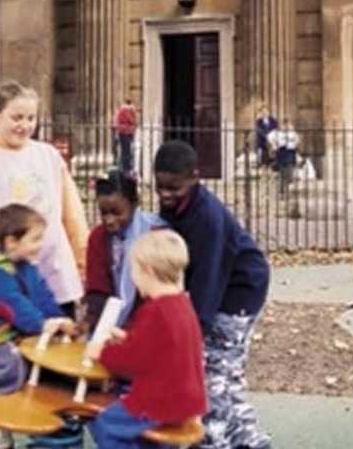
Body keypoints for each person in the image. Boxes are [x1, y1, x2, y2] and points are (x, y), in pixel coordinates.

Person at [0, 80, 89, 449]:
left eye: (30, 117)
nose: (24, 124)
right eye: (16, 117)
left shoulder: (48, 156)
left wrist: (83, 256)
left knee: (56, 353)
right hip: (4, 276)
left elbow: (71, 212)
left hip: (50, 270)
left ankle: (54, 432)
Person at [154, 140, 271, 449]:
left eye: (174, 188)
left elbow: (208, 282)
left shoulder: (207, 217)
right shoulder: (175, 207)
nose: (165, 195)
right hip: (219, 284)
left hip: (239, 291)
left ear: (195, 178)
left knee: (214, 373)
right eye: (160, 187)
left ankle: (213, 440)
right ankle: (251, 439)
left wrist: (193, 333)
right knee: (226, 374)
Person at [86, 230, 207, 449]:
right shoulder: (183, 304)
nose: (133, 278)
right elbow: (166, 347)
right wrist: (127, 338)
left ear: (148, 272)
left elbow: (133, 362)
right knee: (141, 433)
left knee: (105, 424)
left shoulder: (154, 311)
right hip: (188, 400)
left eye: (135, 271)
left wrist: (101, 353)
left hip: (161, 401)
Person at [0, 204, 77, 449]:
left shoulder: (27, 267)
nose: (40, 244)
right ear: (12, 241)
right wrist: (42, 324)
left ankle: (26, 410)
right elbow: (13, 306)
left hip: (16, 332)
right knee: (12, 361)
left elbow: (42, 297)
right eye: (35, 239)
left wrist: (58, 319)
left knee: (43, 360)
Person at [84, 168, 165, 332]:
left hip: (149, 319)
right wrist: (93, 322)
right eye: (103, 213)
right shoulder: (98, 237)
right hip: (110, 321)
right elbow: (97, 289)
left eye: (116, 213)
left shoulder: (155, 234)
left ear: (134, 204)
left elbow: (159, 292)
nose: (109, 220)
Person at [268, 118, 300, 195]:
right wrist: (274, 145)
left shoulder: (293, 133)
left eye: (288, 124)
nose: (286, 126)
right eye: (285, 124)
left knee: (289, 171)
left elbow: (297, 141)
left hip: (290, 152)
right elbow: (269, 137)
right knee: (282, 171)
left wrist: (294, 144)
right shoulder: (277, 133)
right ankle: (281, 190)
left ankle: (286, 187)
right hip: (282, 152)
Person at [113, 99, 138, 174]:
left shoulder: (122, 110)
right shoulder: (126, 111)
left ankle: (125, 167)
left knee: (125, 151)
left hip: (124, 132)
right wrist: (134, 114)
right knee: (126, 152)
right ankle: (126, 168)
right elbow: (132, 121)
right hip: (126, 133)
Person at [254, 104, 277, 168]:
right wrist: (266, 136)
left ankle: (271, 176)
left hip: (272, 145)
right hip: (263, 145)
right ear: (261, 113)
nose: (265, 113)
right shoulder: (259, 122)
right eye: (263, 112)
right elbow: (259, 131)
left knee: (272, 163)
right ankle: (264, 176)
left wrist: (271, 139)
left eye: (266, 111)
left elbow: (275, 130)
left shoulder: (273, 121)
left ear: (268, 112)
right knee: (264, 163)